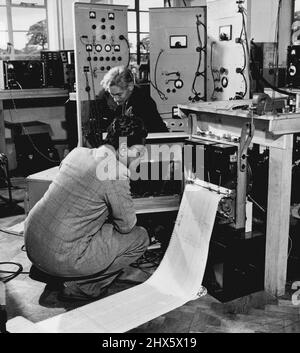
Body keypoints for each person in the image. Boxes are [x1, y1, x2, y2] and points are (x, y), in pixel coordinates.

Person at [24, 114, 150, 302]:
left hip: (33, 245)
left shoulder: (77, 153)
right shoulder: (115, 171)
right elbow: (126, 226)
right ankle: (85, 287)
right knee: (140, 237)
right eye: (138, 153)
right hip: (58, 257)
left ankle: (58, 273)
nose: (139, 160)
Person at [95, 65, 169, 134]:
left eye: (119, 94)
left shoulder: (141, 102)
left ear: (130, 86)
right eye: (112, 95)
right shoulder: (126, 98)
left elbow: (129, 132)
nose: (115, 99)